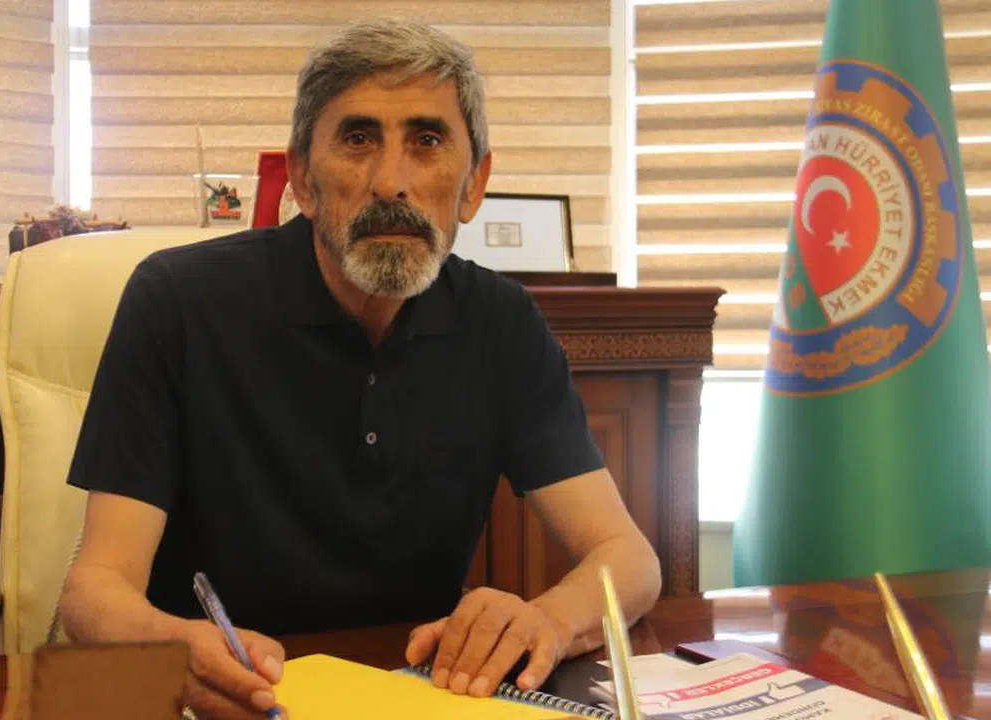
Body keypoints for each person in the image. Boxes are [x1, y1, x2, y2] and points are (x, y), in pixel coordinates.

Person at [58, 18, 661, 720]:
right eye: (357, 139)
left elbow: (629, 558)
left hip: (419, 696)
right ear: (304, 180)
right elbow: (93, 591)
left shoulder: (503, 323)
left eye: (427, 141)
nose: (391, 183)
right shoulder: (177, 303)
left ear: (473, 184)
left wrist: (548, 621)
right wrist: (170, 647)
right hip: (224, 699)